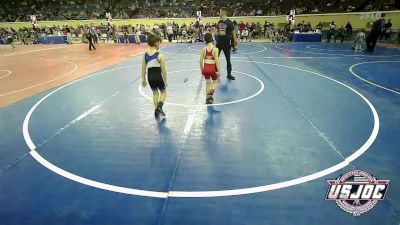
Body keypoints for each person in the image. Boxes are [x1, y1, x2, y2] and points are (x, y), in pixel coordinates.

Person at [141, 34, 167, 117]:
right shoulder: (159, 55)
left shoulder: (145, 55)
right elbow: (164, 70)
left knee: (155, 93)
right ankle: (159, 107)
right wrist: (165, 81)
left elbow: (143, 69)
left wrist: (143, 79)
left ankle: (156, 110)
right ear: (156, 43)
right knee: (163, 92)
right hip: (158, 77)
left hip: (150, 78)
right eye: (159, 43)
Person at [200, 33, 221, 104]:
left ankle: (207, 98)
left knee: (208, 83)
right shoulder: (215, 49)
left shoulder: (203, 49)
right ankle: (210, 94)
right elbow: (217, 61)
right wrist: (219, 71)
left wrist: (202, 70)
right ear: (212, 39)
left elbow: (200, 60)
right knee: (215, 82)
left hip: (205, 69)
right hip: (212, 69)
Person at [216, 7, 236, 80]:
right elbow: (219, 32)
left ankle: (229, 74)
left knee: (228, 60)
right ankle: (215, 73)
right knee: (215, 58)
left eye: (220, 12)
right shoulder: (219, 22)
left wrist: (235, 44)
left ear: (223, 12)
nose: (219, 13)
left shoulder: (230, 23)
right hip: (219, 44)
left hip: (227, 44)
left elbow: (234, 34)